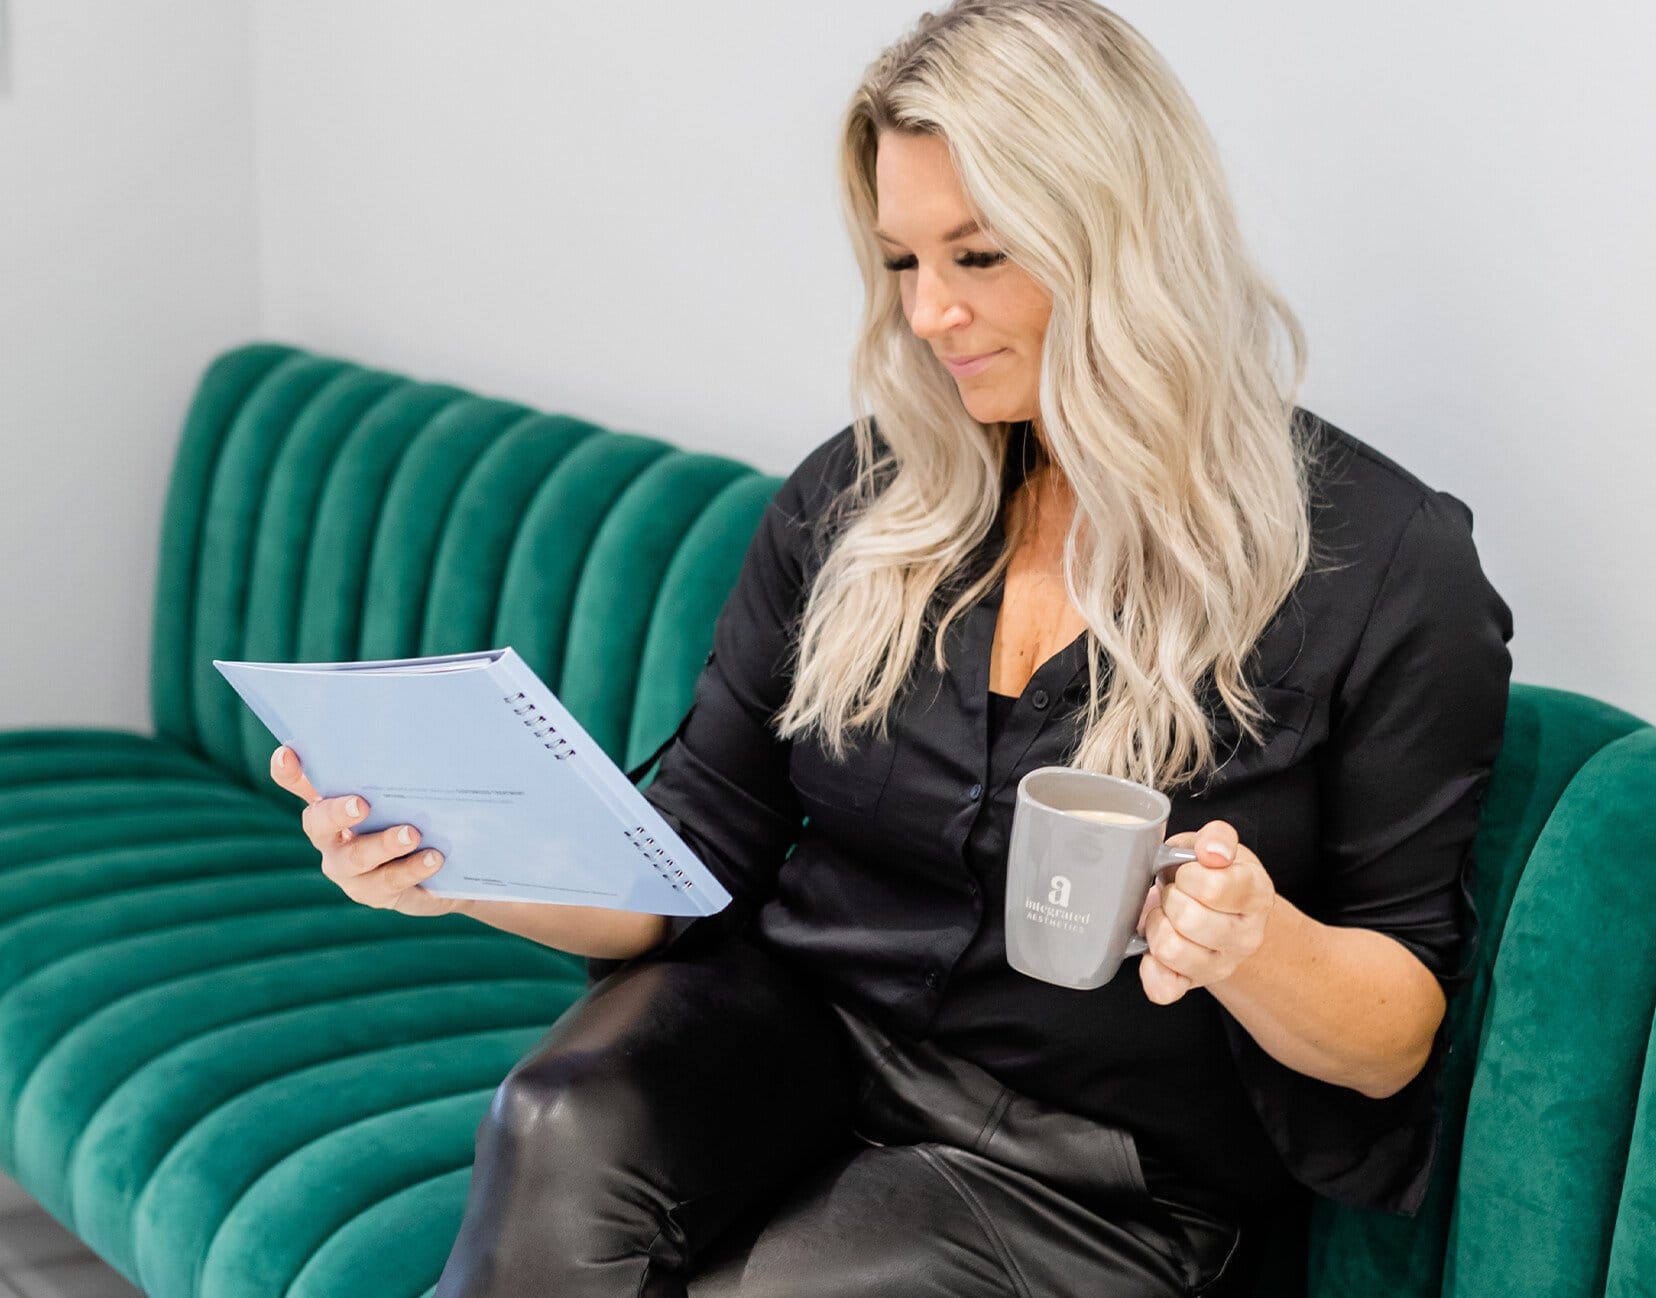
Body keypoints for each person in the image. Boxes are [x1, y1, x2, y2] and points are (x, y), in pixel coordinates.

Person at [272, 2, 1514, 1294]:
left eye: (977, 256)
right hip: (796, 1037)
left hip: (1094, 1172)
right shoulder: (862, 498)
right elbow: (693, 852)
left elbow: (1388, 1037)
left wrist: (1256, 946)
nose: (927, 315)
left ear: (1124, 241)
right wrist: (447, 863)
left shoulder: (1381, 564)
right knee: (556, 1117)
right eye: (902, 261)